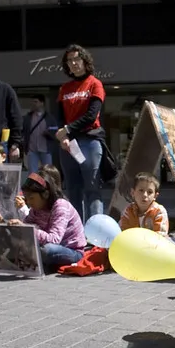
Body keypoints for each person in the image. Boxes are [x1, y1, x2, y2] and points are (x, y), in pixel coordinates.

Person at [55, 44, 106, 221]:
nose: (74, 63)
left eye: (77, 59)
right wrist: (65, 137)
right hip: (68, 144)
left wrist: (67, 130)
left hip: (90, 141)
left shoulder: (94, 84)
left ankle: (95, 232)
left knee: (92, 188)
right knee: (73, 189)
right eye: (70, 60)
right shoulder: (64, 88)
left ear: (85, 61)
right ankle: (76, 232)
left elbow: (92, 116)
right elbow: (60, 117)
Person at [8, 170, 86, 269]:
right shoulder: (35, 209)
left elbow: (54, 239)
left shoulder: (60, 206)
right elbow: (27, 225)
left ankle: (31, 258)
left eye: (31, 198)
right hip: (46, 246)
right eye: (26, 198)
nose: (28, 202)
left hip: (70, 250)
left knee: (47, 250)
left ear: (45, 194)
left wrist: (28, 229)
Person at [23, 94, 58, 174]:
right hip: (32, 149)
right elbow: (23, 130)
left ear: (42, 103)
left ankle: (48, 186)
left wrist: (48, 132)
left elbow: (55, 129)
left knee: (48, 171)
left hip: (45, 148)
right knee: (32, 172)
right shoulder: (28, 117)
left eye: (36, 102)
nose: (33, 104)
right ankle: (34, 186)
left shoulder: (49, 117)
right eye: (32, 102)